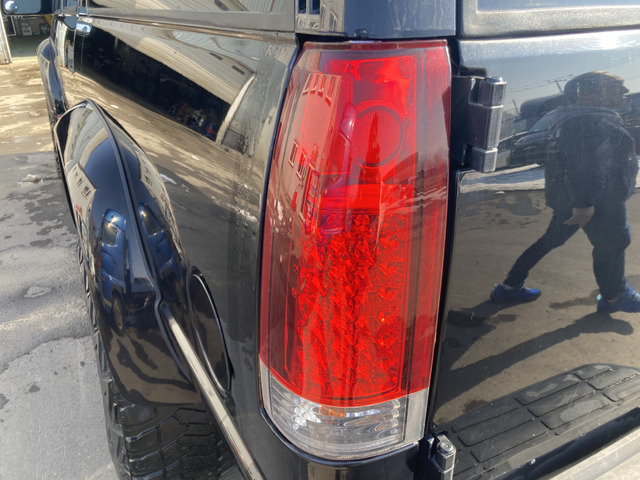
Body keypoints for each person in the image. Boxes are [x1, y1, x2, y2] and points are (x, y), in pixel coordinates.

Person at [491, 71, 640, 313]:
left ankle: (509, 286)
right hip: (600, 201)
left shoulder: (573, 120)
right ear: (588, 94)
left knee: (551, 240)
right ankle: (615, 297)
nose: (624, 92)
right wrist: (584, 203)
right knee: (613, 245)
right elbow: (585, 166)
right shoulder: (591, 122)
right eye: (615, 87)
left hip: (575, 199)